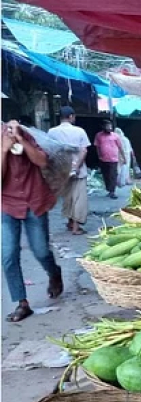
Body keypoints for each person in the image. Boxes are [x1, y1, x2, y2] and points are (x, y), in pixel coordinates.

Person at [1, 120, 64, 322]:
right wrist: (3, 150)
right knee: (8, 254)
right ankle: (22, 303)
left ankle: (54, 273)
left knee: (41, 251)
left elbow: (42, 161)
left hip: (35, 200)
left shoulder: (23, 133)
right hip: (7, 205)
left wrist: (19, 138)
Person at [47, 106, 90, 234]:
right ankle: (76, 228)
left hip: (61, 171)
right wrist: (76, 167)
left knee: (68, 197)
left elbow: (50, 151)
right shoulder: (79, 131)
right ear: (71, 116)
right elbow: (84, 150)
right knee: (78, 198)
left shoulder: (51, 132)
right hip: (78, 170)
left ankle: (70, 223)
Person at [93, 119, 125, 199]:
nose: (109, 127)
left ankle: (112, 191)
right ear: (103, 127)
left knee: (113, 175)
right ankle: (109, 189)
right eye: (107, 126)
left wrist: (124, 158)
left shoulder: (115, 136)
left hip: (114, 159)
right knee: (106, 175)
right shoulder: (98, 135)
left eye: (110, 126)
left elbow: (120, 147)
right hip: (103, 159)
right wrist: (99, 156)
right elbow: (97, 147)